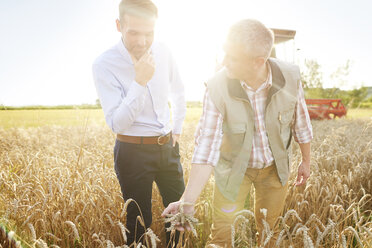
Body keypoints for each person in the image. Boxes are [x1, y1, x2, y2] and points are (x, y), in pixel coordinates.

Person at [162, 19, 313, 247]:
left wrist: (306, 161)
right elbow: (207, 145)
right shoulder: (216, 87)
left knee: (270, 233)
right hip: (233, 171)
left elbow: (301, 122)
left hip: (274, 169)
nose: (224, 62)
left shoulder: (290, 78)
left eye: (232, 57)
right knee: (222, 235)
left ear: (258, 62)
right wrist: (187, 201)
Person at [92, 0, 186, 246]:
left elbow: (178, 91)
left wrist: (177, 129)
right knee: (139, 222)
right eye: (134, 32)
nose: (143, 42)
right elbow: (118, 124)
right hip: (132, 152)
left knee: (179, 214)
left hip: (168, 147)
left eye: (149, 33)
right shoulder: (104, 64)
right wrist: (140, 82)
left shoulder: (164, 50)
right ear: (119, 25)